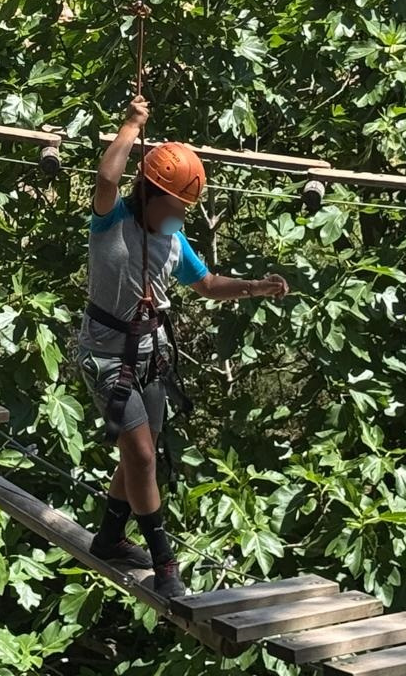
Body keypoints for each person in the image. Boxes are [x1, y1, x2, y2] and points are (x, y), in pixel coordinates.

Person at [80, 94, 289, 598]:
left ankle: (108, 538)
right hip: (107, 356)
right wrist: (131, 124)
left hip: (150, 357)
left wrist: (254, 287)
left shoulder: (174, 241)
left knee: (139, 457)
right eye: (174, 206)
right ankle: (164, 560)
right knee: (144, 456)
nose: (179, 216)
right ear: (151, 195)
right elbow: (107, 179)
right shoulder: (112, 223)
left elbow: (208, 284)